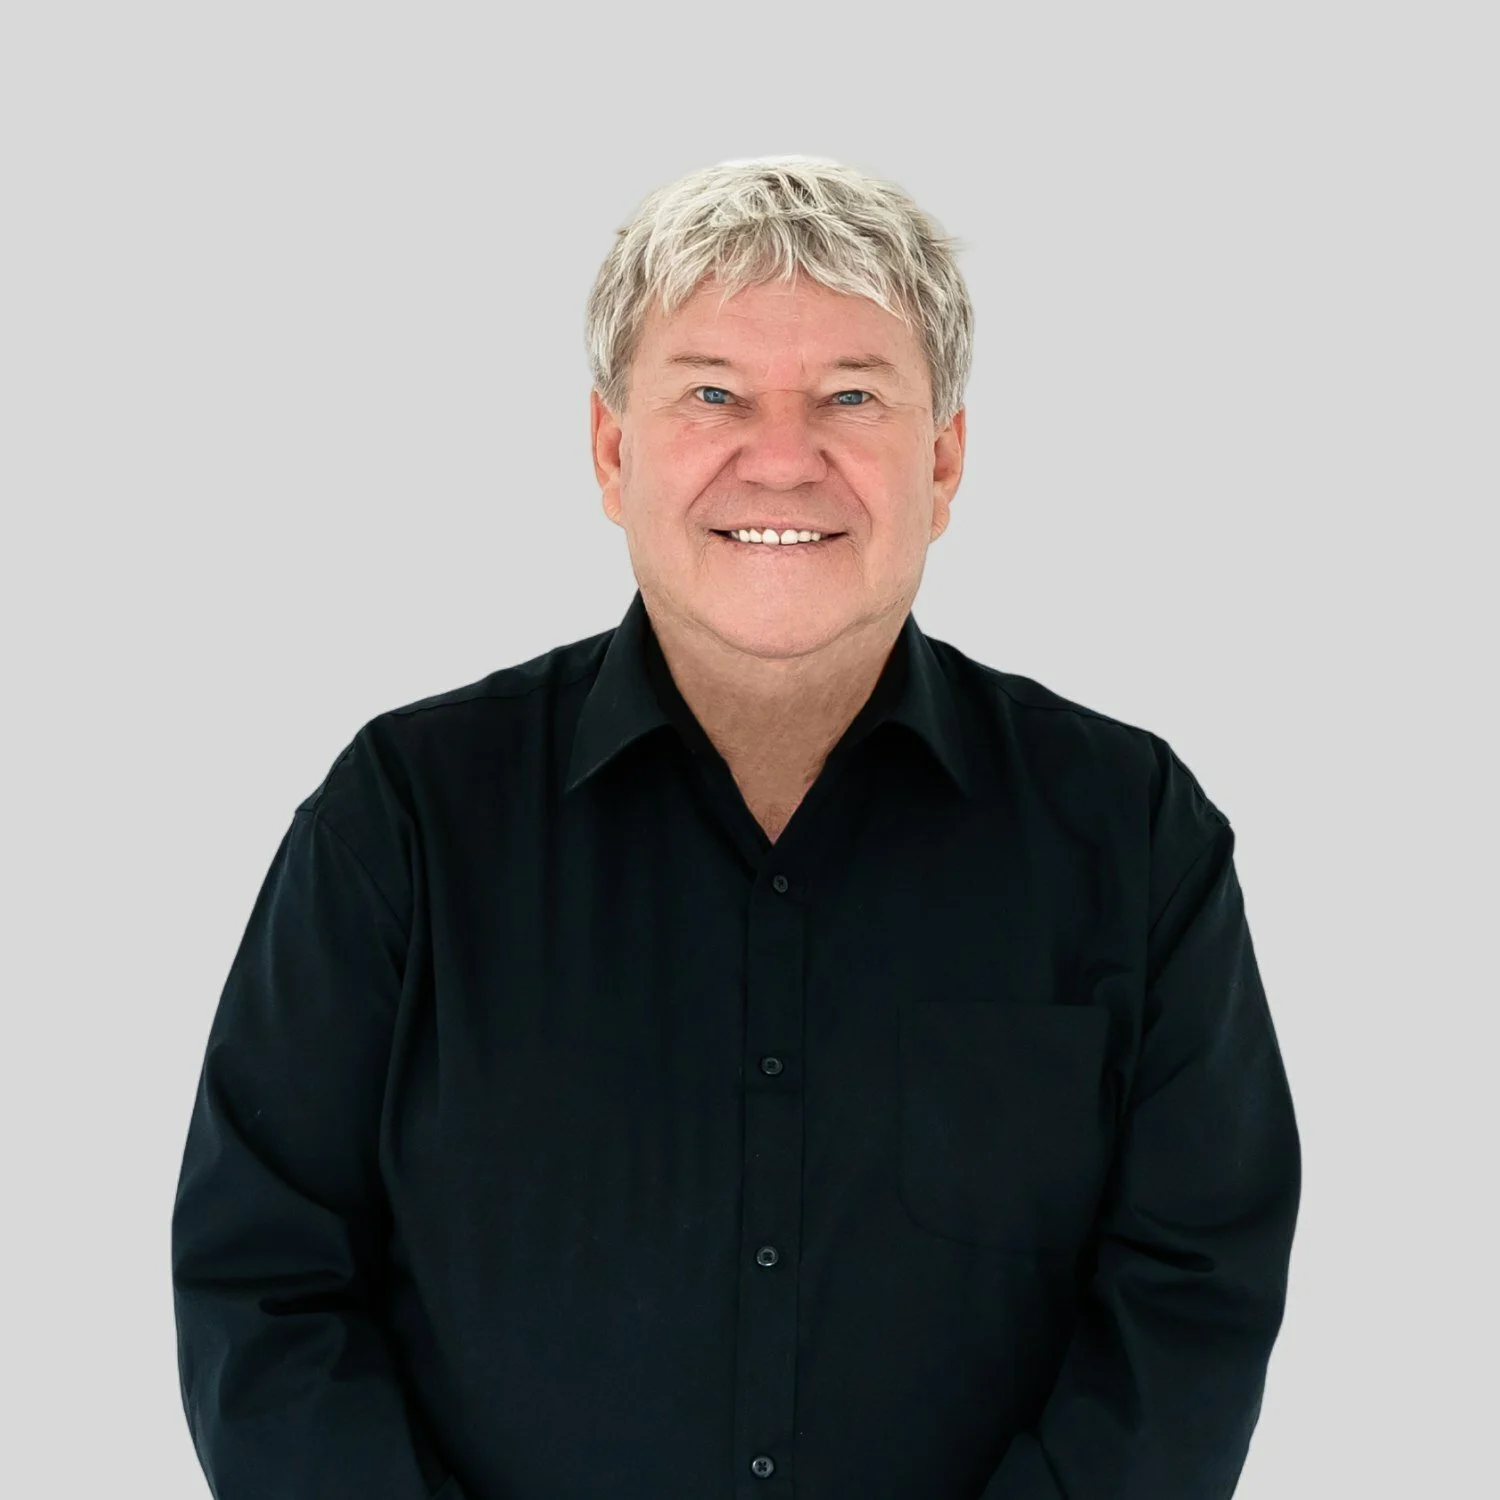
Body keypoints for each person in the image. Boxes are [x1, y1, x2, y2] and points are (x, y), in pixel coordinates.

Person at [171, 155, 1301, 1500]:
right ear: (612, 451)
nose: (781, 457)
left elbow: (1190, 1294)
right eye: (712, 393)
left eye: (851, 397)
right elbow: (266, 1280)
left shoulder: (1132, 833)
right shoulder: (404, 820)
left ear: (944, 460)